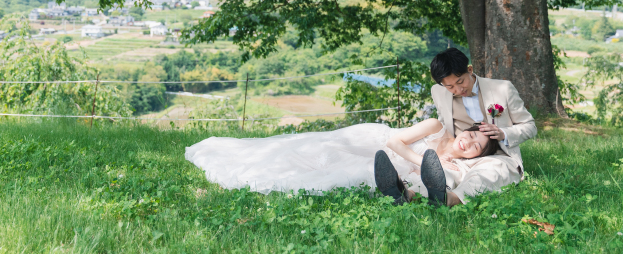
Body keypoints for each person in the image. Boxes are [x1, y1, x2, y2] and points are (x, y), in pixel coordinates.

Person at [185, 114, 494, 197]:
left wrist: (430, 170)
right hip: (374, 141)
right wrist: (424, 162)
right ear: (465, 129)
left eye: (476, 146)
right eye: (470, 135)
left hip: (387, 160)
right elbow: (395, 141)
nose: (468, 143)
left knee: (347, 174)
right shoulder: (436, 126)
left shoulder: (454, 165)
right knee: (319, 151)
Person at [416, 47, 537, 206]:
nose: (458, 90)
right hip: (462, 154)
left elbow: (530, 126)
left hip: (499, 155)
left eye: (461, 82)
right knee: (445, 171)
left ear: (470, 70)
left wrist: (503, 134)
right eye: (450, 87)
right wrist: (446, 152)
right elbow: (444, 123)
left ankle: (451, 199)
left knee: (487, 174)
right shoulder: (438, 92)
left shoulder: (503, 88)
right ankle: (409, 194)